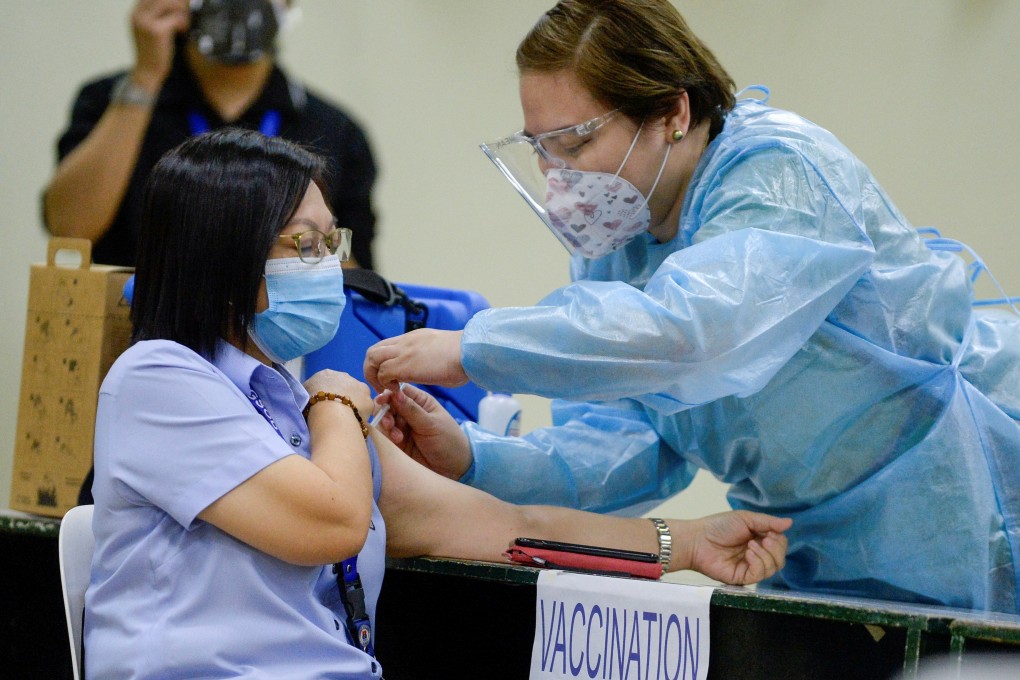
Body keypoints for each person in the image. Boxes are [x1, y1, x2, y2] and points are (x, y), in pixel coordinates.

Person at [364, 0, 1020, 614]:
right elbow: (623, 448)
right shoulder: (616, 253)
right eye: (541, 151)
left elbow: (694, 335)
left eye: (575, 144)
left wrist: (475, 349)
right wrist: (473, 460)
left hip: (970, 499)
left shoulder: (778, 172)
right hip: (813, 543)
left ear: (672, 113)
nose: (558, 180)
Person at [84, 128, 791, 679]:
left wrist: (685, 543)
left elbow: (510, 529)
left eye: (333, 242)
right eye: (303, 244)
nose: (328, 265)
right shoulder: (160, 381)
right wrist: (334, 399)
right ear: (224, 255)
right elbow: (331, 521)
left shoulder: (293, 411)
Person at [42, 0, 377, 270]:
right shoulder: (114, 100)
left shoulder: (334, 130)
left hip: (271, 341)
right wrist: (146, 77)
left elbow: (353, 281)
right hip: (132, 336)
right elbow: (70, 229)